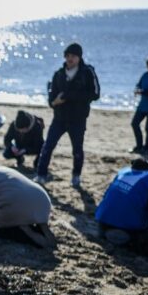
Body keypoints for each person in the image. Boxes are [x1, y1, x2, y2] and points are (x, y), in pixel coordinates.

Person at [34, 42, 101, 188]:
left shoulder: (87, 72)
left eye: (73, 56)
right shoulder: (58, 74)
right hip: (59, 118)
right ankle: (41, 175)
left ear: (79, 57)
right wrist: (54, 102)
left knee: (77, 150)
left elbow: (95, 94)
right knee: (47, 146)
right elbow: (51, 98)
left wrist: (70, 96)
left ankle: (76, 176)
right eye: (68, 56)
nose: (70, 58)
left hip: (78, 119)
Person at [0, 149, 56, 249]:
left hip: (19, 206)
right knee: (17, 209)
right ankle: (41, 225)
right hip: (43, 201)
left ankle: (27, 232)